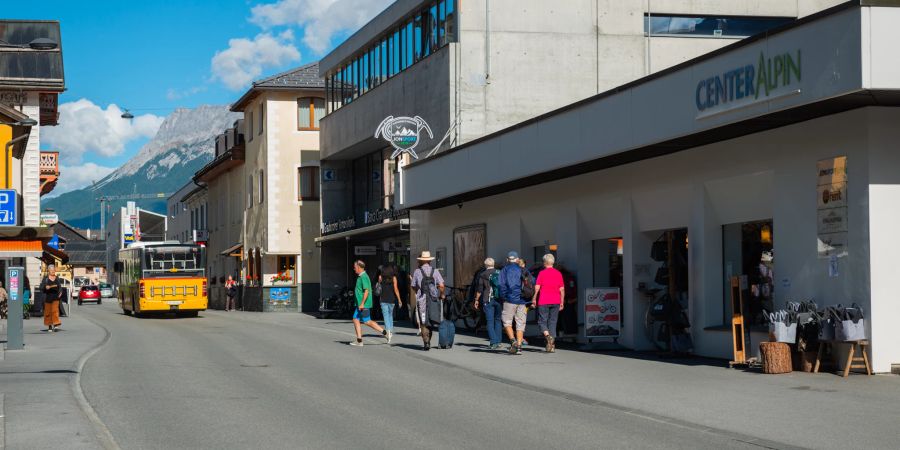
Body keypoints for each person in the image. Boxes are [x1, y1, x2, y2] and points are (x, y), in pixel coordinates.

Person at [411, 251, 445, 351]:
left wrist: (418, 291)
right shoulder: (435, 271)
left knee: (423, 320)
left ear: (421, 261)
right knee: (431, 319)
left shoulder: (417, 271)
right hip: (433, 300)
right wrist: (441, 294)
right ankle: (428, 339)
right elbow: (442, 285)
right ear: (429, 261)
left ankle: (426, 341)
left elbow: (413, 286)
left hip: (422, 299)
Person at [350, 260, 389, 347]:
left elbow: (367, 291)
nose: (354, 269)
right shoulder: (361, 276)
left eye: (355, 267)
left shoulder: (364, 276)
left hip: (363, 304)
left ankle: (385, 333)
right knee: (356, 319)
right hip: (360, 304)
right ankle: (359, 340)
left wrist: (362, 303)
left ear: (359, 267)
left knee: (367, 321)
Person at [533, 253, 565, 353]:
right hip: (556, 300)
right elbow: (562, 289)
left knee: (542, 321)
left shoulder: (542, 273)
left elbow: (537, 287)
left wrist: (534, 298)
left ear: (544, 262)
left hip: (544, 300)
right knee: (553, 322)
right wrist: (562, 301)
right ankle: (552, 345)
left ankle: (547, 337)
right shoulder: (558, 273)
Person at [500, 251, 528, 355]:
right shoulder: (523, 269)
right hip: (522, 300)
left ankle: (513, 342)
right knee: (520, 323)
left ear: (507, 260)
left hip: (509, 299)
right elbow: (531, 282)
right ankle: (519, 347)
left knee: (507, 321)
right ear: (517, 259)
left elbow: (502, 286)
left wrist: (504, 297)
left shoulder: (504, 270)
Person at [474, 257, 502, 349]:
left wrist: (476, 300)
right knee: (498, 320)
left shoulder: (483, 274)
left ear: (486, 265)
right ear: (493, 264)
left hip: (488, 299)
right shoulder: (499, 272)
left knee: (490, 321)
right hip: (498, 299)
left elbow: (480, 289)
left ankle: (493, 342)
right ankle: (498, 341)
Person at [378, 263, 402, 341]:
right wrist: (399, 299)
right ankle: (390, 331)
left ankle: (388, 331)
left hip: (383, 298)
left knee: (385, 316)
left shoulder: (380, 277)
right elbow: (396, 289)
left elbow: (379, 286)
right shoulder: (394, 278)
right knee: (390, 315)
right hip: (391, 299)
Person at [39, 264, 63, 332]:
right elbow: (41, 287)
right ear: (48, 270)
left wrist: (60, 293)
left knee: (55, 311)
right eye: (51, 270)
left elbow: (60, 287)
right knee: (48, 312)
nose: (53, 271)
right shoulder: (45, 278)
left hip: (56, 297)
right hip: (48, 297)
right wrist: (45, 287)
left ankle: (56, 325)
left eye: (54, 270)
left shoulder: (57, 278)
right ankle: (49, 325)